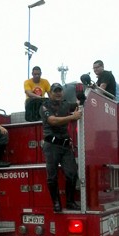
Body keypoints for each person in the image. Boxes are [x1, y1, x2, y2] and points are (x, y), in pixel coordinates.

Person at [39, 83, 82, 212]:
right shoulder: (45, 106)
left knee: (72, 173)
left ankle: (70, 202)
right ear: (50, 93)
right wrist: (72, 117)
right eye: (55, 91)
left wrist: (81, 101)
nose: (58, 93)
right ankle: (56, 203)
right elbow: (52, 120)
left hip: (65, 146)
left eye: (60, 91)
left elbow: (79, 106)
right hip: (51, 146)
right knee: (52, 176)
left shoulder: (65, 104)